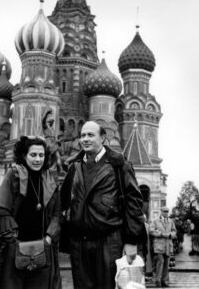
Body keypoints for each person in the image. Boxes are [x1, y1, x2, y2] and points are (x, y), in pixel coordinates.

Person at [60, 121, 146, 289]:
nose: (85, 139)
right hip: (80, 242)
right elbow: (62, 201)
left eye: (90, 135)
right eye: (82, 135)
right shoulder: (74, 166)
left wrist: (131, 240)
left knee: (108, 285)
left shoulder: (119, 165)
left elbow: (134, 203)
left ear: (103, 138)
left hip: (109, 241)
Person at [0, 136, 61, 289]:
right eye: (33, 155)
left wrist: (48, 238)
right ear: (24, 155)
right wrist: (14, 242)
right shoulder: (14, 175)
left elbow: (57, 213)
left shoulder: (50, 178)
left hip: (43, 249)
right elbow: (2, 211)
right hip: (13, 251)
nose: (38, 159)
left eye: (41, 155)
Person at [149, 206, 176, 288]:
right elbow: (151, 230)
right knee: (160, 263)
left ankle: (164, 280)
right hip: (159, 246)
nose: (166, 213)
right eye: (164, 211)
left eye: (167, 211)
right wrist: (160, 234)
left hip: (168, 245)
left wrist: (171, 234)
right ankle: (158, 280)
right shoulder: (155, 221)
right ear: (161, 211)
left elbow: (174, 231)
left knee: (166, 264)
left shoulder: (171, 221)